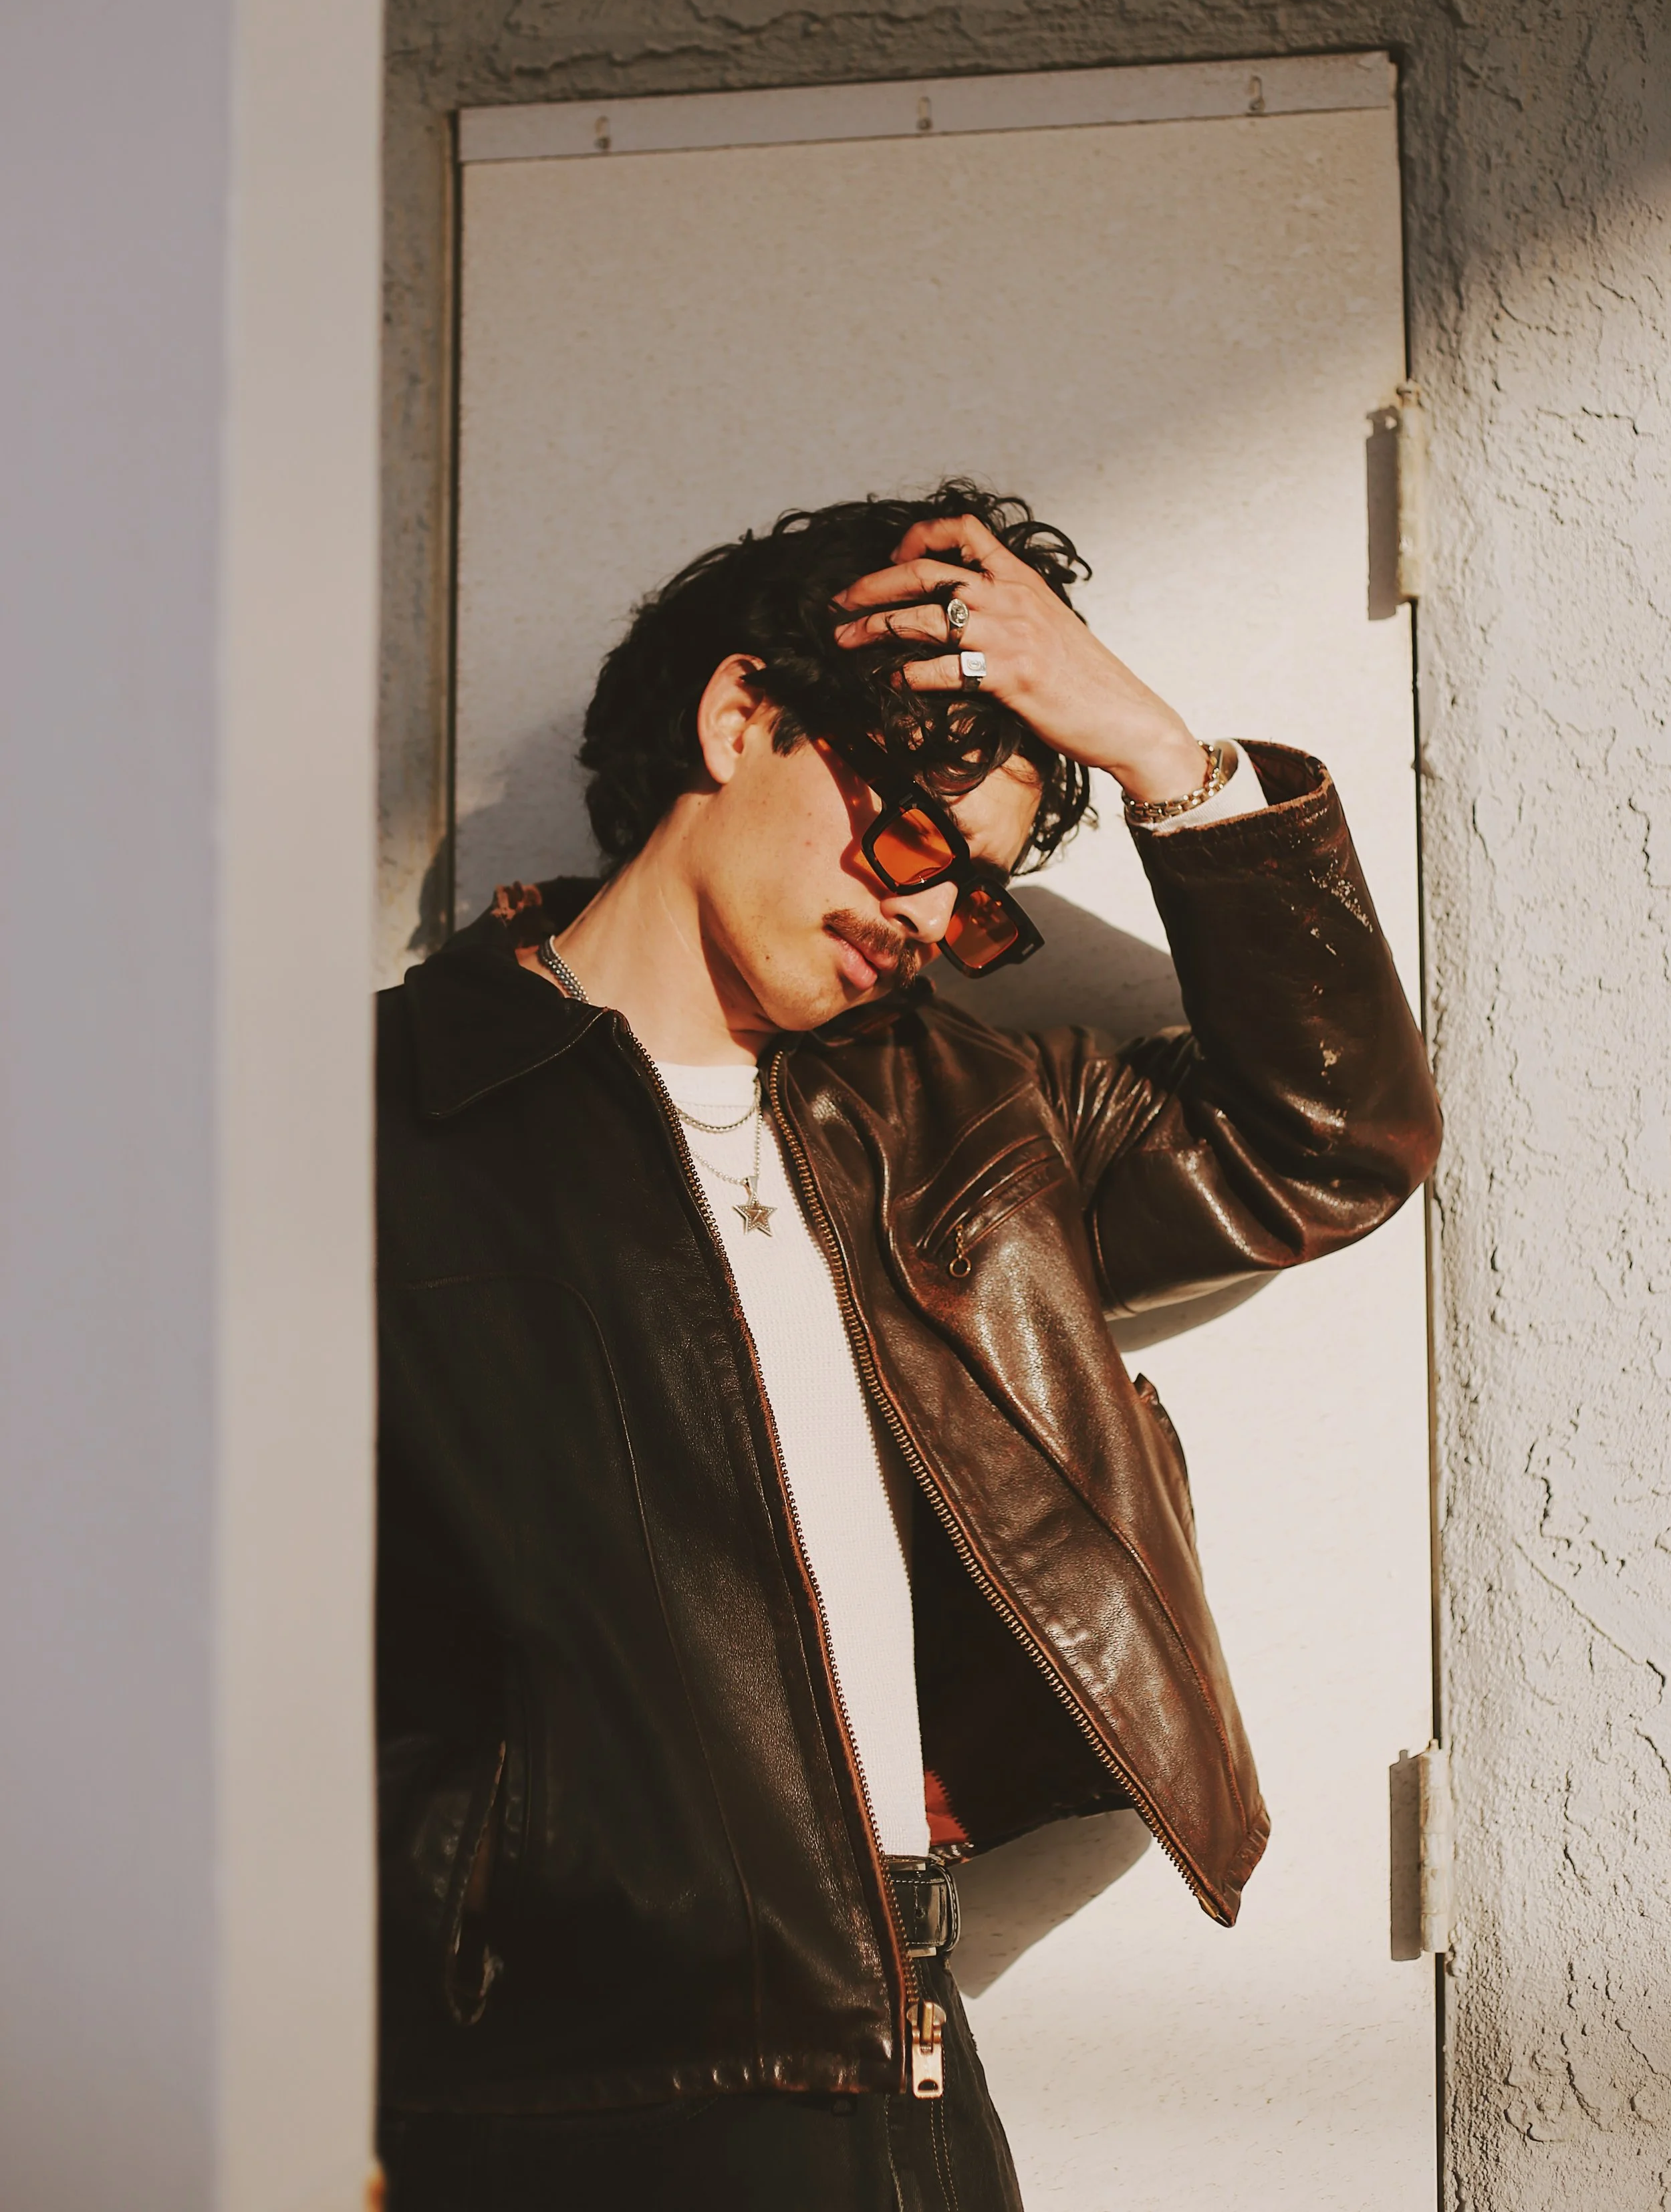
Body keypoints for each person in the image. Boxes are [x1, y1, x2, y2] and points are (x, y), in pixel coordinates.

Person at [374, 486, 1440, 2211]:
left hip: (899, 2036)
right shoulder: (361, 1129)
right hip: (547, 2080)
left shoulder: (962, 1115)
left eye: (984, 903)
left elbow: (1332, 1140)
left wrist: (1168, 761)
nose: (934, 927)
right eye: (914, 845)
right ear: (740, 720)